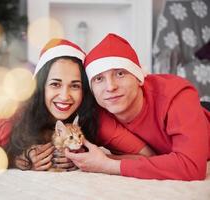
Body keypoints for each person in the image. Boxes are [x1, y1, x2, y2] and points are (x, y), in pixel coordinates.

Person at [0, 38, 154, 171]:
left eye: (75, 86)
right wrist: (19, 160)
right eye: (55, 84)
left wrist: (93, 159)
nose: (65, 96)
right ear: (41, 87)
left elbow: (148, 156)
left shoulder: (97, 118)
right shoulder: (20, 110)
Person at [65, 33, 210, 180]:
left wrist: (107, 165)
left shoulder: (177, 95)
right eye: (99, 78)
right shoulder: (95, 115)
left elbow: (191, 166)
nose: (110, 87)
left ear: (139, 78)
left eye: (120, 73)